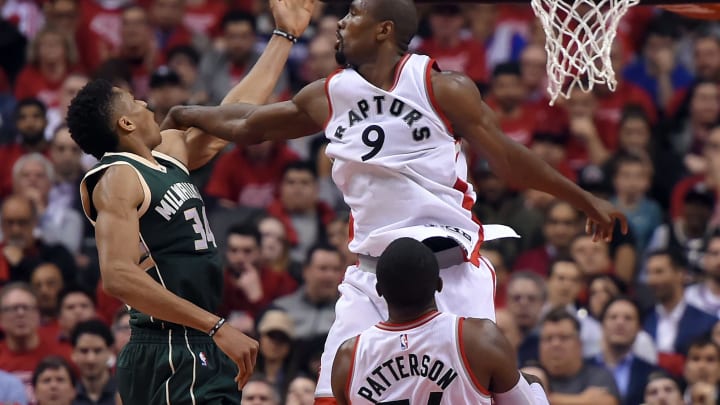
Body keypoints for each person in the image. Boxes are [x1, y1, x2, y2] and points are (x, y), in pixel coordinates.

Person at [163, 0, 627, 400]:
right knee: (328, 392)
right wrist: (185, 113)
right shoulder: (330, 93)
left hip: (450, 270)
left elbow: (507, 159)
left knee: (479, 389)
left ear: (384, 29)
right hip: (372, 276)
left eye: (354, 13)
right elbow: (250, 125)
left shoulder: (440, 86)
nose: (341, 23)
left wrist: (583, 198)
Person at [65, 1, 315, 403]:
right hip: (166, 345)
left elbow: (234, 114)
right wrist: (217, 327)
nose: (146, 104)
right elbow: (116, 275)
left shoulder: (167, 154)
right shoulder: (117, 177)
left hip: (194, 339)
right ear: (125, 123)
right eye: (135, 101)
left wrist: (284, 37)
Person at [331, 238, 548, 404]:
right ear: (439, 285)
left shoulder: (347, 357)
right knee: (533, 383)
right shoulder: (478, 337)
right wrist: (533, 385)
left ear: (379, 290)